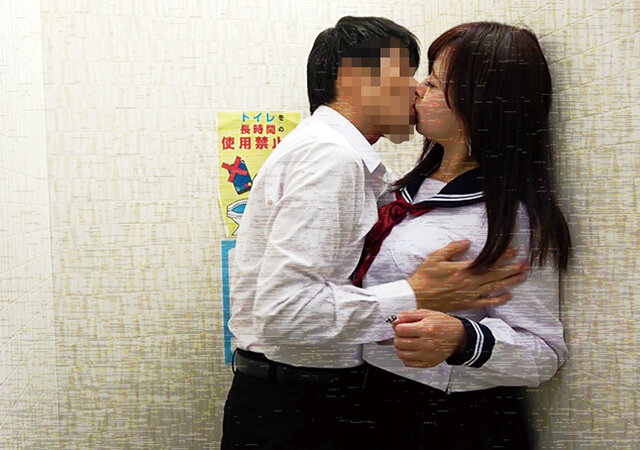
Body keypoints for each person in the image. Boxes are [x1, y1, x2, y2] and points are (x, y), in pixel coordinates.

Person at [221, 17, 528, 449]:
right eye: (408, 73)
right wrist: (417, 294)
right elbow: (285, 311)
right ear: (354, 78)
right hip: (297, 405)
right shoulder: (331, 159)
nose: (417, 90)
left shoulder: (339, 157)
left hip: (300, 397)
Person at [355, 22, 572, 449]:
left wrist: (462, 338)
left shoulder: (508, 218)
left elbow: (544, 352)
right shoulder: (395, 193)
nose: (417, 89)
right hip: (372, 400)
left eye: (434, 83)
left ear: (481, 106)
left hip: (450, 420)